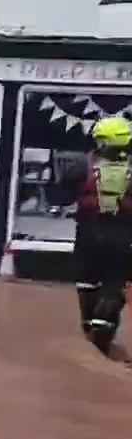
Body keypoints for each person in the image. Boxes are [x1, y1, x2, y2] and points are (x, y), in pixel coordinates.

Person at [69, 116, 132, 355]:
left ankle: (89, 327)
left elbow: (61, 195)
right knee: (115, 284)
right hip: (123, 236)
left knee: (86, 282)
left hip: (88, 234)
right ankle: (103, 333)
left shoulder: (82, 165)